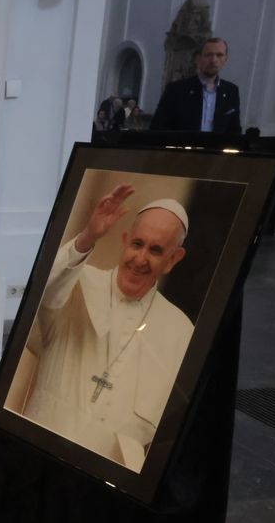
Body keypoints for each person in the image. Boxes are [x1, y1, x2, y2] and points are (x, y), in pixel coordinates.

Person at [21, 184, 194, 471]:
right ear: (125, 241)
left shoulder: (181, 330)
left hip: (106, 474)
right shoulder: (77, 282)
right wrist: (87, 238)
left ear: (172, 260)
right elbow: (39, 289)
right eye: (137, 244)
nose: (140, 259)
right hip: (38, 449)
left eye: (156, 250)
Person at [150, 37, 241, 133]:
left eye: (219, 55)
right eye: (208, 55)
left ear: (225, 59)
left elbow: (234, 130)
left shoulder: (231, 92)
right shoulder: (176, 90)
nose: (213, 60)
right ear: (198, 59)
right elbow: (157, 127)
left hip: (214, 148)